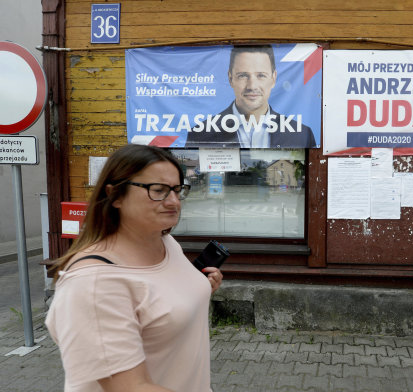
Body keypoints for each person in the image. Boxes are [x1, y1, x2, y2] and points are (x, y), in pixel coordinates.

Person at [45, 144, 223, 391]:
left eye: (177, 189)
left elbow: (159, 303)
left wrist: (197, 290)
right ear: (115, 195)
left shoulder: (165, 242)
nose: (173, 201)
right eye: (158, 190)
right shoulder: (94, 283)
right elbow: (131, 387)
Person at [186, 45, 316, 148]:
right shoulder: (200, 133)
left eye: (261, 75)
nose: (252, 86)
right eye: (243, 75)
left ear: (274, 78)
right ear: (230, 78)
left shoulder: (302, 134)